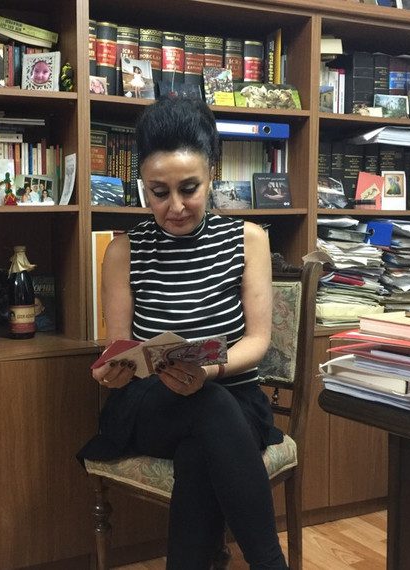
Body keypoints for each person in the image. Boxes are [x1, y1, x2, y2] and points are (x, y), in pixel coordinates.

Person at [78, 96, 287, 569]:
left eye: (189, 188)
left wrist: (209, 370)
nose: (175, 206)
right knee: (205, 408)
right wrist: (113, 369)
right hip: (153, 408)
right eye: (158, 192)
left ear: (211, 175)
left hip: (233, 400)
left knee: (202, 443)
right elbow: (122, 344)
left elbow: (257, 341)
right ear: (143, 188)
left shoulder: (248, 239)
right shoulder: (123, 250)